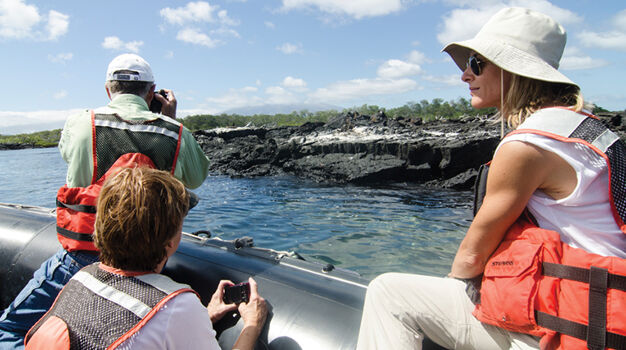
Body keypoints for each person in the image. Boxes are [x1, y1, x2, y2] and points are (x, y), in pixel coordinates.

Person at [357, 7, 626, 350]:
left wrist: (453, 293)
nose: (465, 76)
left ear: (515, 70)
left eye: (476, 63)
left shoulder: (528, 145)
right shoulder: (590, 130)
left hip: (570, 333)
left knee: (389, 293)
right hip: (605, 320)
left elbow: (471, 256)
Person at [0, 53, 210, 348]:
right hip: (150, 258)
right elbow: (197, 175)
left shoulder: (80, 122)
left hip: (84, 251)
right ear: (152, 93)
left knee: (9, 330)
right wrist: (169, 120)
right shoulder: (175, 133)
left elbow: (66, 153)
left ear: (109, 90)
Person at [23, 167, 267, 349]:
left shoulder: (83, 278)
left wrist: (205, 316)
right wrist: (252, 324)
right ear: (170, 241)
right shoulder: (177, 306)